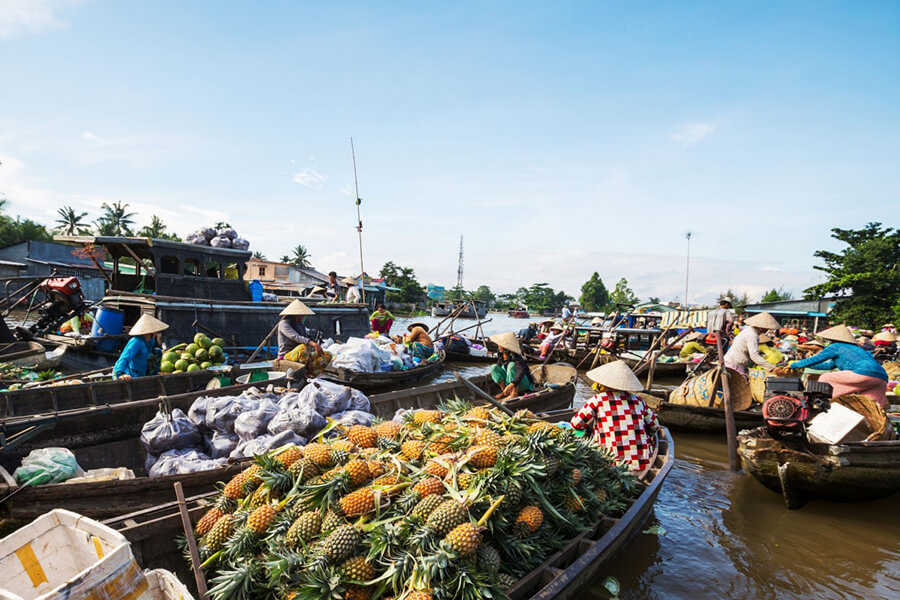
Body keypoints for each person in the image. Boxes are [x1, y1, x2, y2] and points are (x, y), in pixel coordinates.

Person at [570, 360, 659, 472]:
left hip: (610, 465)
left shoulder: (598, 400)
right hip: (641, 465)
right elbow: (655, 426)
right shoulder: (638, 400)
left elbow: (575, 424)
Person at [787, 324, 888, 407]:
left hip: (863, 373)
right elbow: (827, 366)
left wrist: (794, 365)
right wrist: (803, 365)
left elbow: (816, 359)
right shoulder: (854, 349)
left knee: (825, 377)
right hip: (881, 378)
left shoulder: (835, 346)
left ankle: (821, 406)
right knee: (870, 407)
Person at [113, 314, 168, 380]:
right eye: (156, 331)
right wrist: (120, 374)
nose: (157, 333)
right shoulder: (136, 342)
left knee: (158, 351)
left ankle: (152, 377)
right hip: (131, 374)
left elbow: (151, 357)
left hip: (142, 372)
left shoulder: (151, 341)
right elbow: (125, 357)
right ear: (151, 332)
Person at [489, 331, 535, 400]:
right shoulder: (500, 354)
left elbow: (520, 372)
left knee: (511, 365)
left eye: (500, 345)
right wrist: (493, 373)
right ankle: (505, 391)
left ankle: (514, 393)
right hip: (509, 382)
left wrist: (512, 384)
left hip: (521, 383)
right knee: (494, 367)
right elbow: (498, 366)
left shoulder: (516, 357)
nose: (499, 346)